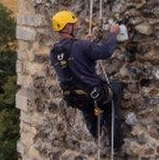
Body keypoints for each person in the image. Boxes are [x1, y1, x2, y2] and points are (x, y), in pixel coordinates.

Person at [50, 10, 124, 153]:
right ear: (67, 27)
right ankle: (116, 145)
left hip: (72, 96)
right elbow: (105, 52)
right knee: (113, 91)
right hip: (93, 93)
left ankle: (97, 135)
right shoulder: (81, 46)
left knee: (87, 108)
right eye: (74, 25)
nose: (77, 27)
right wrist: (113, 34)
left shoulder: (54, 51)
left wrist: (85, 43)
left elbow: (72, 59)